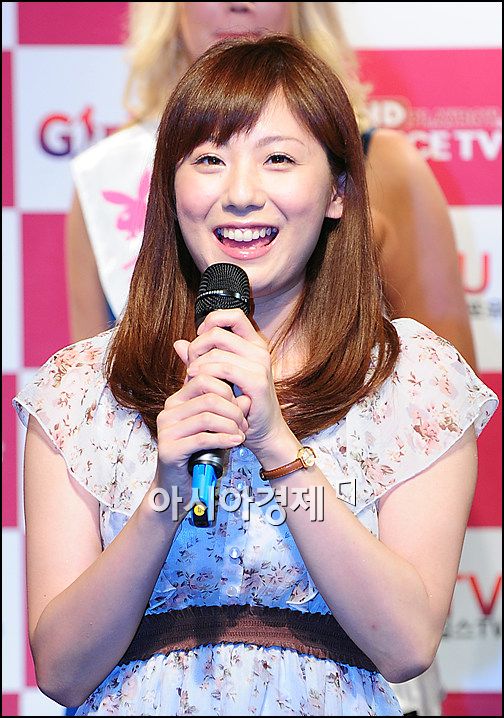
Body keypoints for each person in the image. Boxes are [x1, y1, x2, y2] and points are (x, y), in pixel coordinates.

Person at [16, 36, 497, 716]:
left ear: (337, 192)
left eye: (278, 159)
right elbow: (61, 671)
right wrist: (166, 493)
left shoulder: (411, 378)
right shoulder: (81, 389)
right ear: (169, 188)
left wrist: (279, 449)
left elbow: (406, 642)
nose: (240, 194)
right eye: (209, 160)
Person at [66, 1, 476, 375]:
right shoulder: (105, 175)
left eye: (279, 159)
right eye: (209, 161)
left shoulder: (385, 163)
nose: (237, 5)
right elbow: (99, 403)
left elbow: (445, 394)